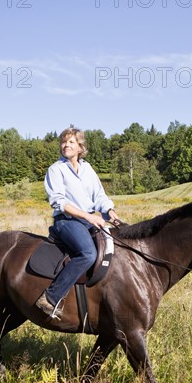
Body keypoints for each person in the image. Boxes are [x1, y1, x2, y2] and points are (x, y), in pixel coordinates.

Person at [36, 127, 120, 318]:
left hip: (89, 220)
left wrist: (110, 211)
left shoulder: (87, 169)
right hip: (67, 221)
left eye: (71, 142)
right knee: (88, 254)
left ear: (80, 147)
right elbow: (60, 202)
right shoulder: (56, 170)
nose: (66, 145)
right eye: (64, 142)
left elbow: (99, 195)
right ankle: (50, 298)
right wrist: (89, 216)